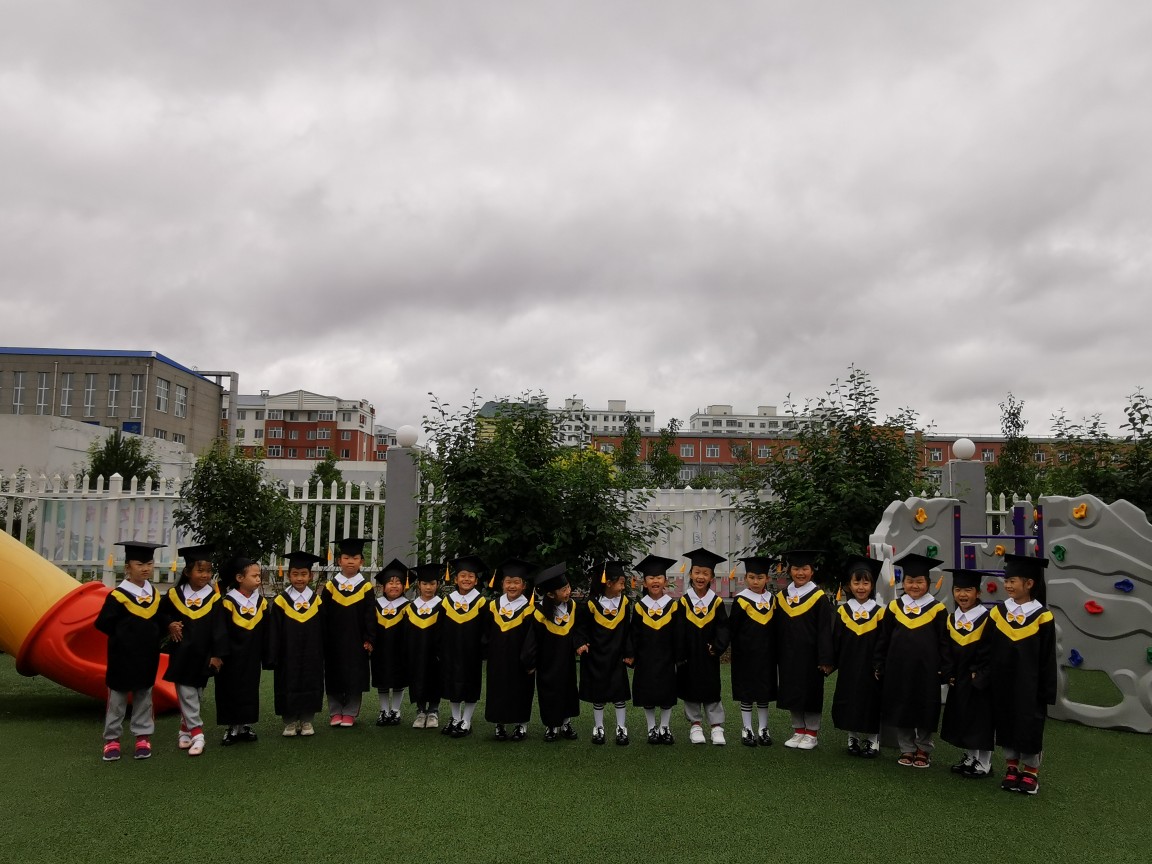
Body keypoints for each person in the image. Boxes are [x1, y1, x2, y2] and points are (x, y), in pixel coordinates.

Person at [984, 554, 1056, 795]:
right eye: (1006, 580)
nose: (1007, 585)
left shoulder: (1042, 616)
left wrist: (1046, 689)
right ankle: (1011, 767)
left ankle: (1031, 771)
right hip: (1003, 681)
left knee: (1029, 725)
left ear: (1029, 583)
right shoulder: (998, 613)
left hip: (1030, 685)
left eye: (1012, 580)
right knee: (1006, 722)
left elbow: (1047, 658)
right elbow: (986, 647)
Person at [874, 551, 949, 768]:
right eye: (910, 581)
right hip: (899, 668)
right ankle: (906, 748)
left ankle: (923, 748)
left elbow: (944, 642)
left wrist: (945, 667)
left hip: (927, 670)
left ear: (928, 583)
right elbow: (884, 638)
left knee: (925, 708)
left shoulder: (937, 609)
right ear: (903, 582)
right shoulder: (895, 607)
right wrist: (879, 662)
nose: (914, 586)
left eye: (919, 581)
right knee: (902, 706)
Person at [95, 540, 166, 761]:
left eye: (149, 564)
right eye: (139, 564)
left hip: (147, 656)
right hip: (122, 656)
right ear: (128, 567)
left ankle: (142, 737)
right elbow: (103, 623)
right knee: (117, 699)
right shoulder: (118, 596)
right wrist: (125, 637)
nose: (145, 568)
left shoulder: (154, 595)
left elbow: (160, 622)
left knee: (144, 696)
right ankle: (112, 739)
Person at [159, 544, 225, 757]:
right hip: (181, 654)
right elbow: (159, 613)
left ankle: (184, 729)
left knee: (195, 694)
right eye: (200, 570)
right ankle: (197, 733)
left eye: (208, 571)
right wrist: (169, 624)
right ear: (187, 572)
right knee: (187, 693)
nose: (205, 575)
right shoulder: (174, 595)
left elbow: (219, 629)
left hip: (203, 655)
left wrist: (217, 655)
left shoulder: (214, 598)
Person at [775, 549, 834, 750]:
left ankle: (812, 733)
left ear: (812, 571)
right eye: (796, 569)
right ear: (790, 571)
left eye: (805, 569)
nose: (800, 573)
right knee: (792, 691)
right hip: (788, 654)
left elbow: (825, 630)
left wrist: (825, 658)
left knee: (810, 693)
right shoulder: (782, 597)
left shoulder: (819, 597)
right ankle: (798, 730)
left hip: (811, 656)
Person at [940, 567, 995, 778]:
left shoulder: (988, 619)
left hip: (979, 679)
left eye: (968, 590)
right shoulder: (952, 619)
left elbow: (989, 650)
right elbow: (945, 648)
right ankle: (971, 757)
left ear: (978, 593)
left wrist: (978, 672)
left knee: (981, 720)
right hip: (959, 678)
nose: (962, 594)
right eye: (958, 590)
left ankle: (985, 763)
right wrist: (949, 671)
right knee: (963, 717)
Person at [522, 562, 585, 741]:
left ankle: (566, 723)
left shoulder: (572, 606)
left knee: (568, 690)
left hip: (566, 661)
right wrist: (530, 662)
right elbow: (532, 640)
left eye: (568, 587)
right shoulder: (540, 613)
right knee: (549, 693)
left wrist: (579, 643)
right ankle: (551, 726)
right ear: (550, 594)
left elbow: (578, 630)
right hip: (548, 663)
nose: (568, 591)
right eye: (563, 590)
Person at [830, 555, 885, 758]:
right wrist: (830, 661)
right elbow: (835, 639)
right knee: (849, 699)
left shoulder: (879, 612)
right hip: (849, 665)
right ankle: (852, 737)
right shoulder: (843, 611)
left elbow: (883, 641)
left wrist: (880, 664)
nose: (861, 587)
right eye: (857, 582)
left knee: (871, 701)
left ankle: (872, 739)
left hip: (871, 668)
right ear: (849, 585)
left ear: (872, 585)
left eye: (866, 583)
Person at [266, 550, 325, 738]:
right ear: (289, 575)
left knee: (310, 681)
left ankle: (307, 720)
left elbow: (324, 629)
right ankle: (290, 721)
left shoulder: (317, 601)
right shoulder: (281, 601)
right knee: (287, 682)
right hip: (287, 654)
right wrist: (273, 655)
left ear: (311, 576)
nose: (299, 578)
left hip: (312, 653)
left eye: (304, 574)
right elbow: (274, 631)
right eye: (295, 574)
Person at [677, 547, 730, 746]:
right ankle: (696, 725)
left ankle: (716, 727)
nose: (701, 577)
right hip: (689, 655)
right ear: (690, 574)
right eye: (697, 572)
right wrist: (680, 653)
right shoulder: (684, 602)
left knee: (711, 688)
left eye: (705, 573)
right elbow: (678, 629)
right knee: (690, 688)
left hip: (708, 655)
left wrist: (717, 646)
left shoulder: (716, 602)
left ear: (711, 577)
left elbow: (723, 628)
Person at [577, 560, 634, 745]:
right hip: (596, 656)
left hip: (616, 655)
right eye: (621, 583)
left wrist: (629, 652)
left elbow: (627, 630)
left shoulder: (624, 603)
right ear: (608, 583)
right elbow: (582, 628)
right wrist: (581, 643)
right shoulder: (591, 604)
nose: (623, 587)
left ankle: (621, 727)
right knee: (598, 694)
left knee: (619, 693)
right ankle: (599, 727)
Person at [320, 536, 375, 727]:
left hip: (357, 640)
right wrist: (324, 638)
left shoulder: (366, 587)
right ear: (339, 561)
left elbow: (370, 615)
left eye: (355, 558)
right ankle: (335, 711)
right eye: (346, 557)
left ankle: (350, 712)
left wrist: (369, 638)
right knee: (333, 673)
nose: (350, 561)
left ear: (361, 561)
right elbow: (323, 615)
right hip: (334, 640)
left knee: (355, 676)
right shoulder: (330, 587)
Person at [630, 554, 683, 745]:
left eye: (659, 577)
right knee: (648, 693)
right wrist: (631, 654)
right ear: (644, 583)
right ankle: (651, 727)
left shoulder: (673, 606)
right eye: (651, 578)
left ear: (665, 581)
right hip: (645, 658)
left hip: (667, 657)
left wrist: (679, 656)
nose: (655, 581)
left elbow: (678, 633)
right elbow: (634, 634)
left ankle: (665, 727)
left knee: (667, 693)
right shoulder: (639, 607)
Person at [216, 556, 269, 746]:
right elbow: (221, 631)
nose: (258, 579)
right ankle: (231, 727)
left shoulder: (261, 603)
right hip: (231, 657)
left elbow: (267, 631)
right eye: (254, 576)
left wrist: (267, 653)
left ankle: (246, 725)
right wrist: (220, 653)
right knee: (230, 689)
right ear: (239, 578)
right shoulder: (228, 602)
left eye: (259, 575)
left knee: (249, 689)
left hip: (252, 656)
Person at [483, 558, 537, 742]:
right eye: (508, 582)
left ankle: (521, 724)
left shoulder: (529, 609)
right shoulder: (493, 606)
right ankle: (500, 724)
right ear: (502, 584)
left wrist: (530, 660)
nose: (512, 586)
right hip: (498, 659)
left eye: (516, 582)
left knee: (521, 691)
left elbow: (532, 639)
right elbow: (486, 634)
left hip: (520, 660)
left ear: (524, 585)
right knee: (498, 690)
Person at [729, 555, 778, 747]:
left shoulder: (772, 600)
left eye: (760, 577)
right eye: (751, 577)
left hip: (767, 655)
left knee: (764, 693)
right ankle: (747, 728)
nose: (755, 581)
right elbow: (733, 629)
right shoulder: (741, 600)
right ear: (745, 578)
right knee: (747, 693)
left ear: (767, 578)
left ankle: (763, 729)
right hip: (745, 655)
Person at [440, 554, 488, 738]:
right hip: (451, 652)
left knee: (470, 685)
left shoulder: (481, 602)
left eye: (470, 576)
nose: (466, 579)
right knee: (452, 684)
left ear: (476, 581)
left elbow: (485, 630)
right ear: (455, 579)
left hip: (472, 653)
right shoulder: (447, 601)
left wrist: (482, 650)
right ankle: (455, 718)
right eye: (463, 575)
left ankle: (466, 720)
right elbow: (440, 628)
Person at [371, 559, 411, 727]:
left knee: (398, 679)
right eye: (390, 582)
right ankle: (383, 710)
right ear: (383, 586)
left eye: (398, 582)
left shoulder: (408, 606)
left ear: (404, 586)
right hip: (380, 649)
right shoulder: (376, 605)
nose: (394, 586)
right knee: (382, 679)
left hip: (399, 649)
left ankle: (395, 710)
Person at [405, 562, 445, 728]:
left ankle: (433, 711)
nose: (428, 587)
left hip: (435, 654)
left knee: (435, 678)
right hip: (416, 652)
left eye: (432, 584)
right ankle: (421, 711)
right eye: (425, 584)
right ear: (419, 585)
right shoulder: (411, 608)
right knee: (417, 677)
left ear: (438, 585)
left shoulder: (443, 606)